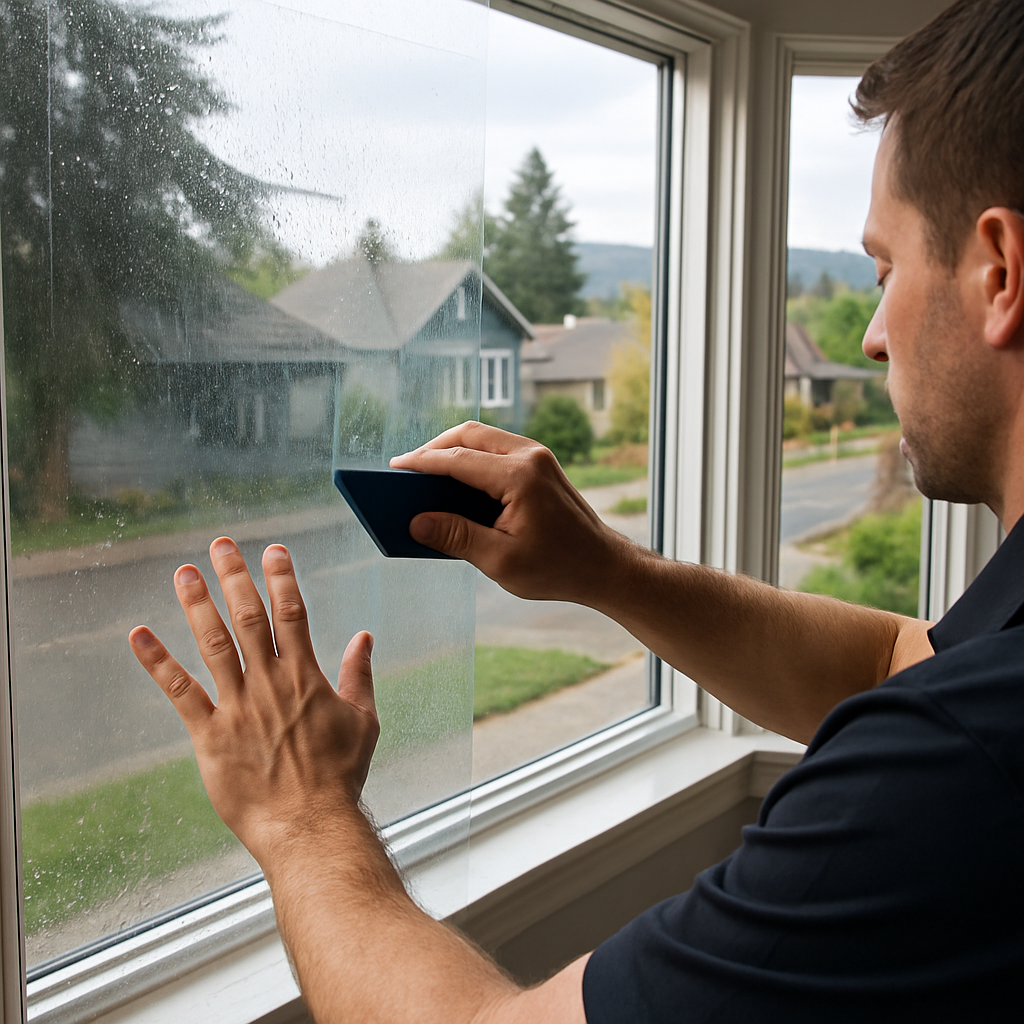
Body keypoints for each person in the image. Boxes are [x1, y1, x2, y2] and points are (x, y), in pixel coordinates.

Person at [129, 0, 1024, 1019]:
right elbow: (886, 667)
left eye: (885, 268)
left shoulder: (957, 765)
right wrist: (606, 568)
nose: (869, 335)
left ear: (996, 272)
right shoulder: (980, 692)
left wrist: (300, 815)